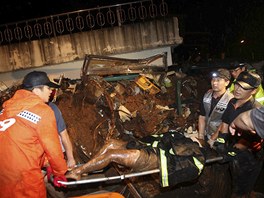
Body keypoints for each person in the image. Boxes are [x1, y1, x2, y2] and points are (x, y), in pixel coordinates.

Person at [0, 71, 68, 198]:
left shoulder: (4, 111)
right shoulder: (42, 111)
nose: (50, 91)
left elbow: (24, 142)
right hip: (25, 177)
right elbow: (52, 148)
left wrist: (47, 163)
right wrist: (59, 172)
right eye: (48, 88)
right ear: (37, 90)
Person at [66, 131, 206, 188]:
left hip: (153, 157)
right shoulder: (184, 139)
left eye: (195, 136)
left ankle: (77, 171)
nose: (192, 135)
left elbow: (174, 153)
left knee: (112, 155)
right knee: (110, 143)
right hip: (147, 147)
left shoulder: (193, 148)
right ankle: (88, 168)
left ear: (198, 142)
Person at [213, 71, 263, 197]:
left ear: (253, 91)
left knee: (241, 186)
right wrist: (221, 141)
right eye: (237, 85)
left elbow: (248, 140)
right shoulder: (232, 102)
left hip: (249, 155)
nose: (237, 90)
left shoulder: (254, 110)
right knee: (235, 178)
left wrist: (231, 151)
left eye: (243, 88)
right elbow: (225, 122)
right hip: (233, 146)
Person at [198, 68, 233, 146]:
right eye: (213, 80)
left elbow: (225, 123)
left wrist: (212, 139)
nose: (214, 83)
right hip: (207, 133)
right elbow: (202, 116)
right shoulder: (206, 95)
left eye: (218, 80)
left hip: (221, 138)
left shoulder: (231, 100)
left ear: (227, 82)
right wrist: (201, 135)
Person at [49, 101, 76, 169]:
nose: (50, 91)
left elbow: (64, 135)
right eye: (48, 89)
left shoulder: (53, 108)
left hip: (54, 154)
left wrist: (70, 158)